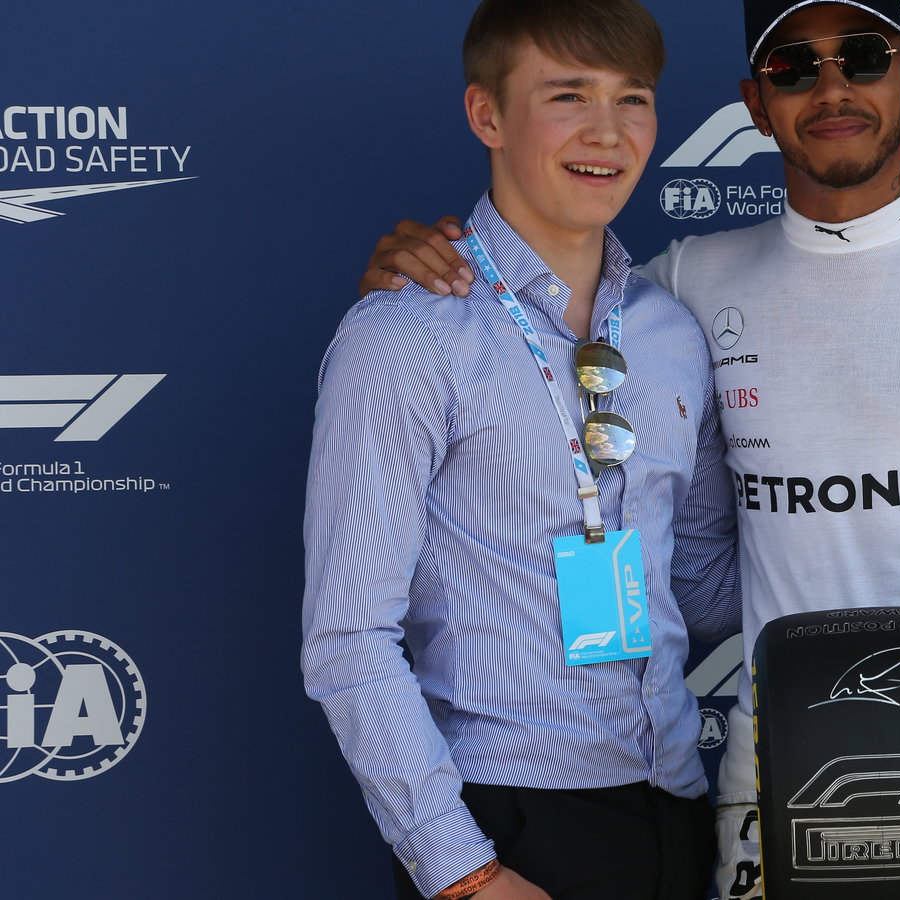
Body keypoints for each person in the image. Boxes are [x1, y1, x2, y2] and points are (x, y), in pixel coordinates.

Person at [358, 2, 900, 896]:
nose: (831, 87)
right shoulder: (684, 287)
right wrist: (438, 273)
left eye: (863, 57)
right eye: (794, 67)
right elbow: (535, 312)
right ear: (756, 104)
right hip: (779, 779)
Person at [301, 2, 741, 899]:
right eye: (568, 96)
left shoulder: (670, 331)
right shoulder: (407, 335)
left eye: (632, 98)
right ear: (487, 115)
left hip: (678, 807)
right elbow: (348, 637)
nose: (608, 132)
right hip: (505, 823)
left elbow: (701, 584)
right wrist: (463, 872)